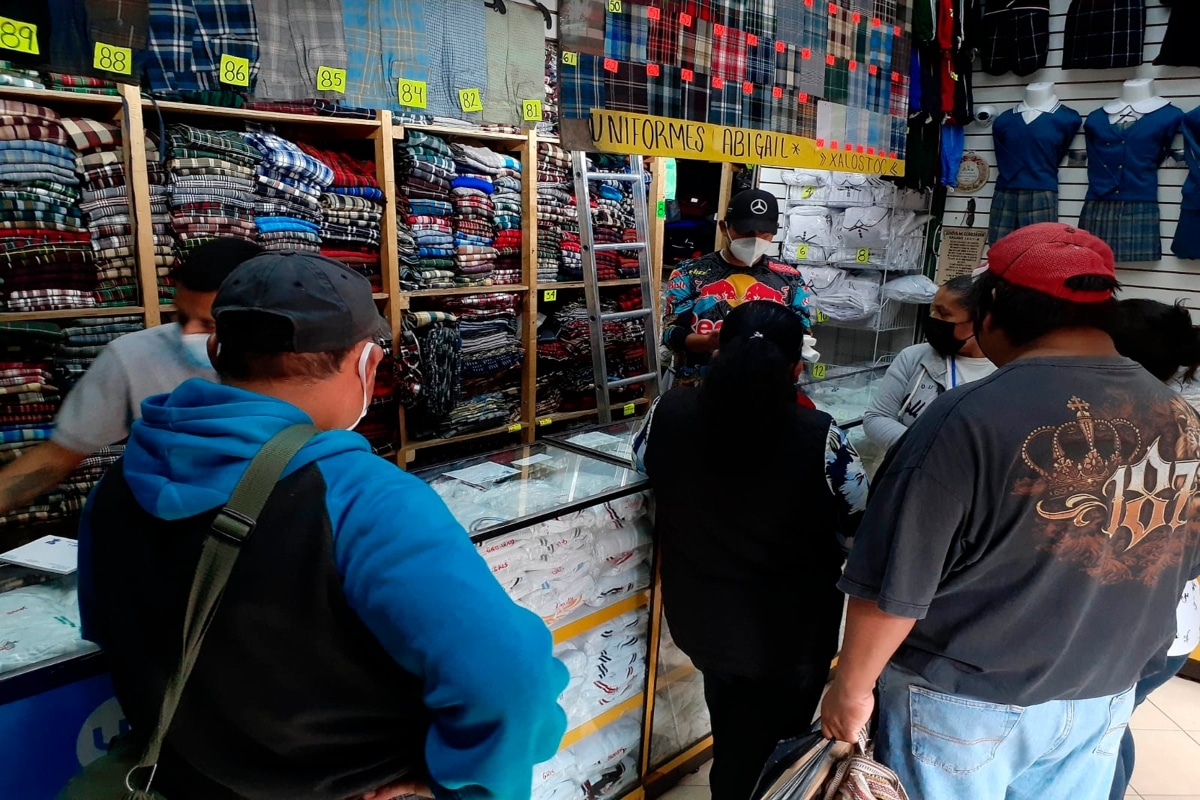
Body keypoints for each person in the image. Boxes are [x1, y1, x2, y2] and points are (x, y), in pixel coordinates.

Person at [77, 252, 568, 800]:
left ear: (216, 349)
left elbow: (114, 640)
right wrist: (456, 783)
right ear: (366, 362)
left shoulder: (116, 488)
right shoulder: (363, 497)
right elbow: (510, 683)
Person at [820, 223, 1200, 800]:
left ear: (993, 309)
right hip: (1102, 696)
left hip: (963, 703)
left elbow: (893, 584)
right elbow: (1178, 563)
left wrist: (850, 688)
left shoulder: (966, 418)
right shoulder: (1181, 420)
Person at [633, 301, 868, 800]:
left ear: (717, 352)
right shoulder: (820, 436)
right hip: (790, 634)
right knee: (778, 748)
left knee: (732, 728)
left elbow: (643, 464)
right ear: (795, 367)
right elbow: (857, 529)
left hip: (703, 619)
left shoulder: (669, 410)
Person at [0, 237, 264, 517]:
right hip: (177, 527)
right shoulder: (134, 357)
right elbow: (56, 457)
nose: (188, 335)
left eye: (210, 324)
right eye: (182, 318)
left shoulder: (298, 364)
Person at [1108, 298, 1200, 800]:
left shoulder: (1124, 429)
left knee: (1102, 733)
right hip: (1170, 626)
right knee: (1110, 726)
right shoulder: (1183, 419)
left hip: (1132, 626)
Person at [662, 188, 815, 387]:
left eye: (764, 233)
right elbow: (671, 334)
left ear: (775, 230)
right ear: (724, 227)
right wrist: (709, 342)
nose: (755, 238)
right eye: (746, 232)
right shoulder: (688, 273)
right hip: (701, 388)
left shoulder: (790, 279)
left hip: (767, 391)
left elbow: (803, 332)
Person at [863, 275, 995, 451]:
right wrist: (926, 451)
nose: (934, 318)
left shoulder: (1006, 372)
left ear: (979, 321)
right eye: (933, 310)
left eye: (944, 313)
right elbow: (876, 418)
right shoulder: (914, 357)